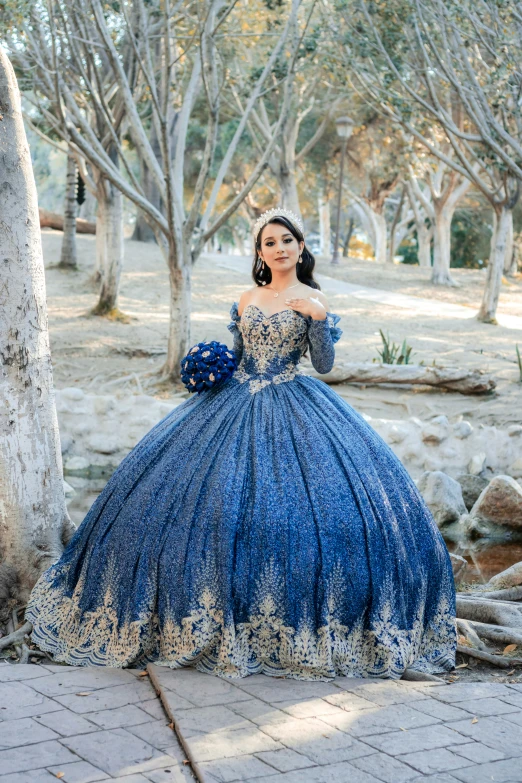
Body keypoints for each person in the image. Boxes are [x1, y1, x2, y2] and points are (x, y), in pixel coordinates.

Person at [26, 207, 457, 681]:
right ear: (259, 253)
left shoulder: (314, 298)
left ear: (300, 247)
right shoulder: (247, 296)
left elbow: (326, 364)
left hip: (293, 402)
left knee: (303, 514)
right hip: (231, 401)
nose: (279, 248)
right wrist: (208, 368)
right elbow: (237, 355)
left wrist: (316, 319)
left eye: (286, 240)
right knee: (195, 504)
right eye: (269, 242)